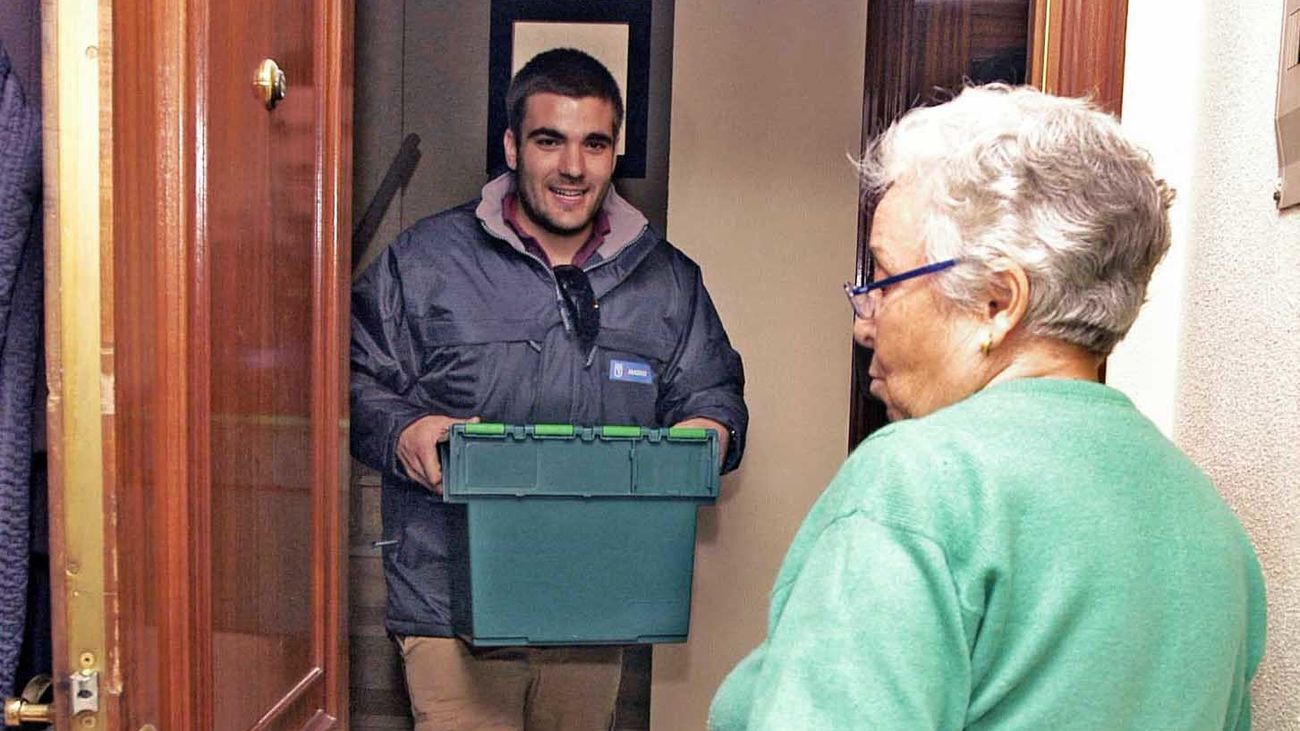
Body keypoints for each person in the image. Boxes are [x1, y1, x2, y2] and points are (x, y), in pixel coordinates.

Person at [709, 84, 1266, 730]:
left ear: (998, 304)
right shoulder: (1211, 525)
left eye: (883, 281)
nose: (865, 324)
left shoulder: (919, 485)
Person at [351, 48, 747, 731]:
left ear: (614, 150)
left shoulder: (669, 279)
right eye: (549, 140)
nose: (573, 166)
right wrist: (403, 431)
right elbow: (352, 377)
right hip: (450, 606)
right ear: (512, 145)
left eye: (594, 143)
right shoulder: (424, 261)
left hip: (593, 606)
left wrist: (708, 436)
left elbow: (711, 390)